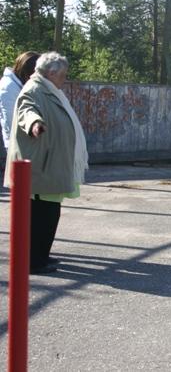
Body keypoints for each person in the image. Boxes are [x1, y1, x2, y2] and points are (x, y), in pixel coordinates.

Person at [4, 51, 89, 275]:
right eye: (63, 75)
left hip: (49, 166)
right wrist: (35, 124)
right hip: (40, 167)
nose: (65, 79)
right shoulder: (33, 90)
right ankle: (34, 262)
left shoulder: (49, 90)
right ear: (51, 73)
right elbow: (26, 111)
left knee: (49, 215)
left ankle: (41, 256)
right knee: (42, 218)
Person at [0, 51, 40, 150]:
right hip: (18, 145)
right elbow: (11, 121)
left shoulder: (18, 85)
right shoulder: (9, 87)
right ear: (28, 72)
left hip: (28, 143)